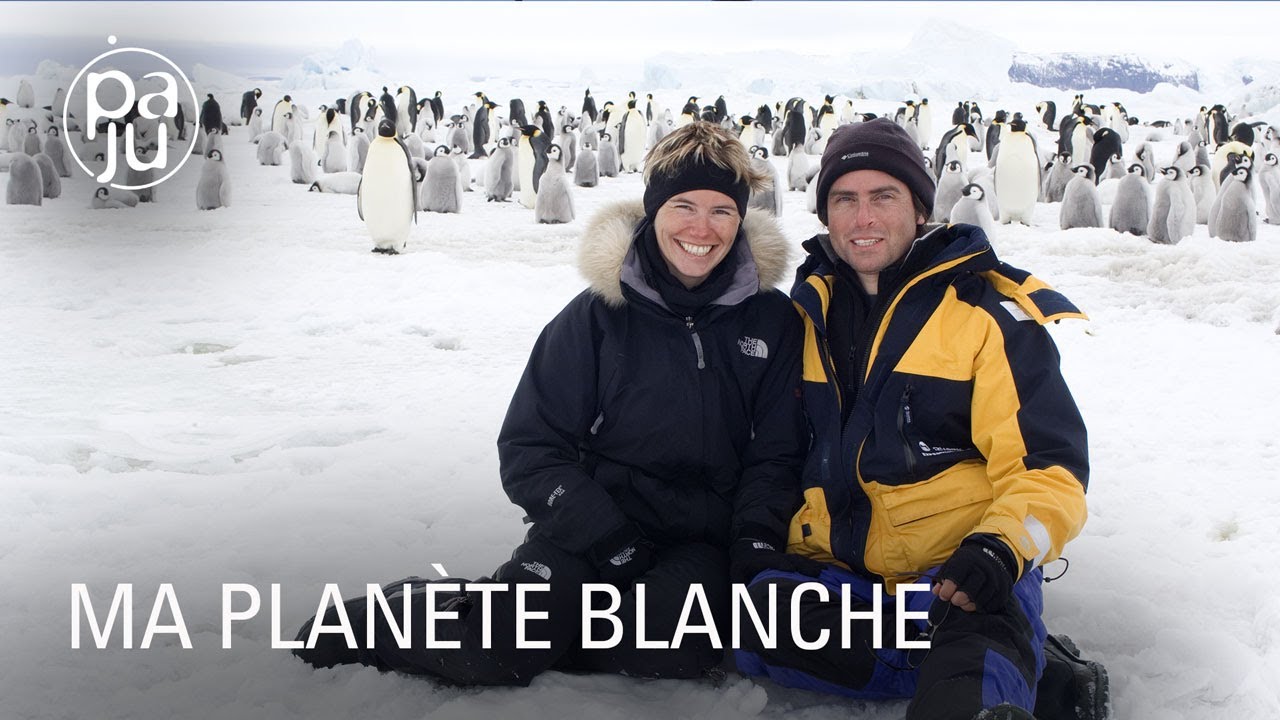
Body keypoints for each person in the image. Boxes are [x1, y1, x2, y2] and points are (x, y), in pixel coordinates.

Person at [293, 121, 807, 684]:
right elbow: (530, 446)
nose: (701, 229)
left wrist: (754, 543)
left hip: (698, 541)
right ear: (654, 209)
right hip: (590, 525)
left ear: (741, 218)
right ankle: (419, 611)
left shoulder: (771, 322)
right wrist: (607, 538)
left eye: (721, 211)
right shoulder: (595, 318)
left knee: (661, 647)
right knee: (498, 648)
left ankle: (556, 620)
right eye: (684, 206)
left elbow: (776, 454)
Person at [734, 118, 1108, 720]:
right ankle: (1031, 667)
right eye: (845, 200)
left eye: (884, 197)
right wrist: (758, 541)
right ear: (825, 212)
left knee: (970, 652)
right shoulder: (806, 313)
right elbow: (777, 454)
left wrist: (999, 549)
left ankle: (988, 666)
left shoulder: (987, 314)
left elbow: (1049, 468)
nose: (864, 219)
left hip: (958, 572)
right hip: (841, 576)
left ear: (921, 206)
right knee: (742, 624)